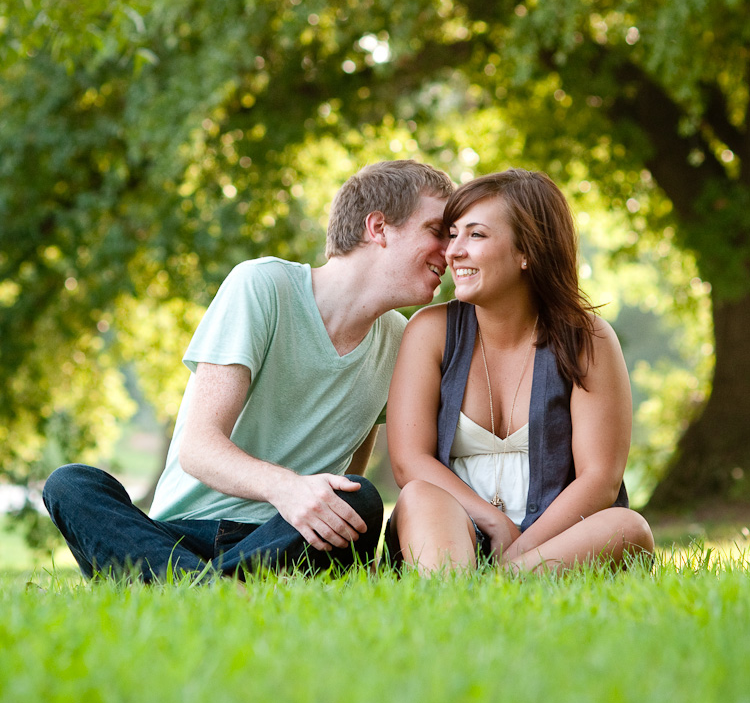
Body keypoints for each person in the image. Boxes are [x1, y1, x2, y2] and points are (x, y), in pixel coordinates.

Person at [44, 160, 453, 581]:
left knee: (359, 497)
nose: (452, 250)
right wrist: (288, 489)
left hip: (291, 539)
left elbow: (348, 477)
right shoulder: (263, 286)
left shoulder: (402, 341)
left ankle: (184, 587)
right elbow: (199, 449)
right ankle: (211, 589)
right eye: (437, 231)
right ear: (379, 227)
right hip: (184, 536)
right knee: (70, 485)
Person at [386, 168, 654, 575]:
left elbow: (600, 480)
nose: (453, 251)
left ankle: (498, 585)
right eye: (452, 233)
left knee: (628, 528)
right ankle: (458, 585)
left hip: (552, 539)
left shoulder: (587, 338)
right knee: (420, 495)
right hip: (449, 530)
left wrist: (517, 551)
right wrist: (492, 521)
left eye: (475, 235)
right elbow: (410, 461)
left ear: (527, 251)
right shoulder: (430, 330)